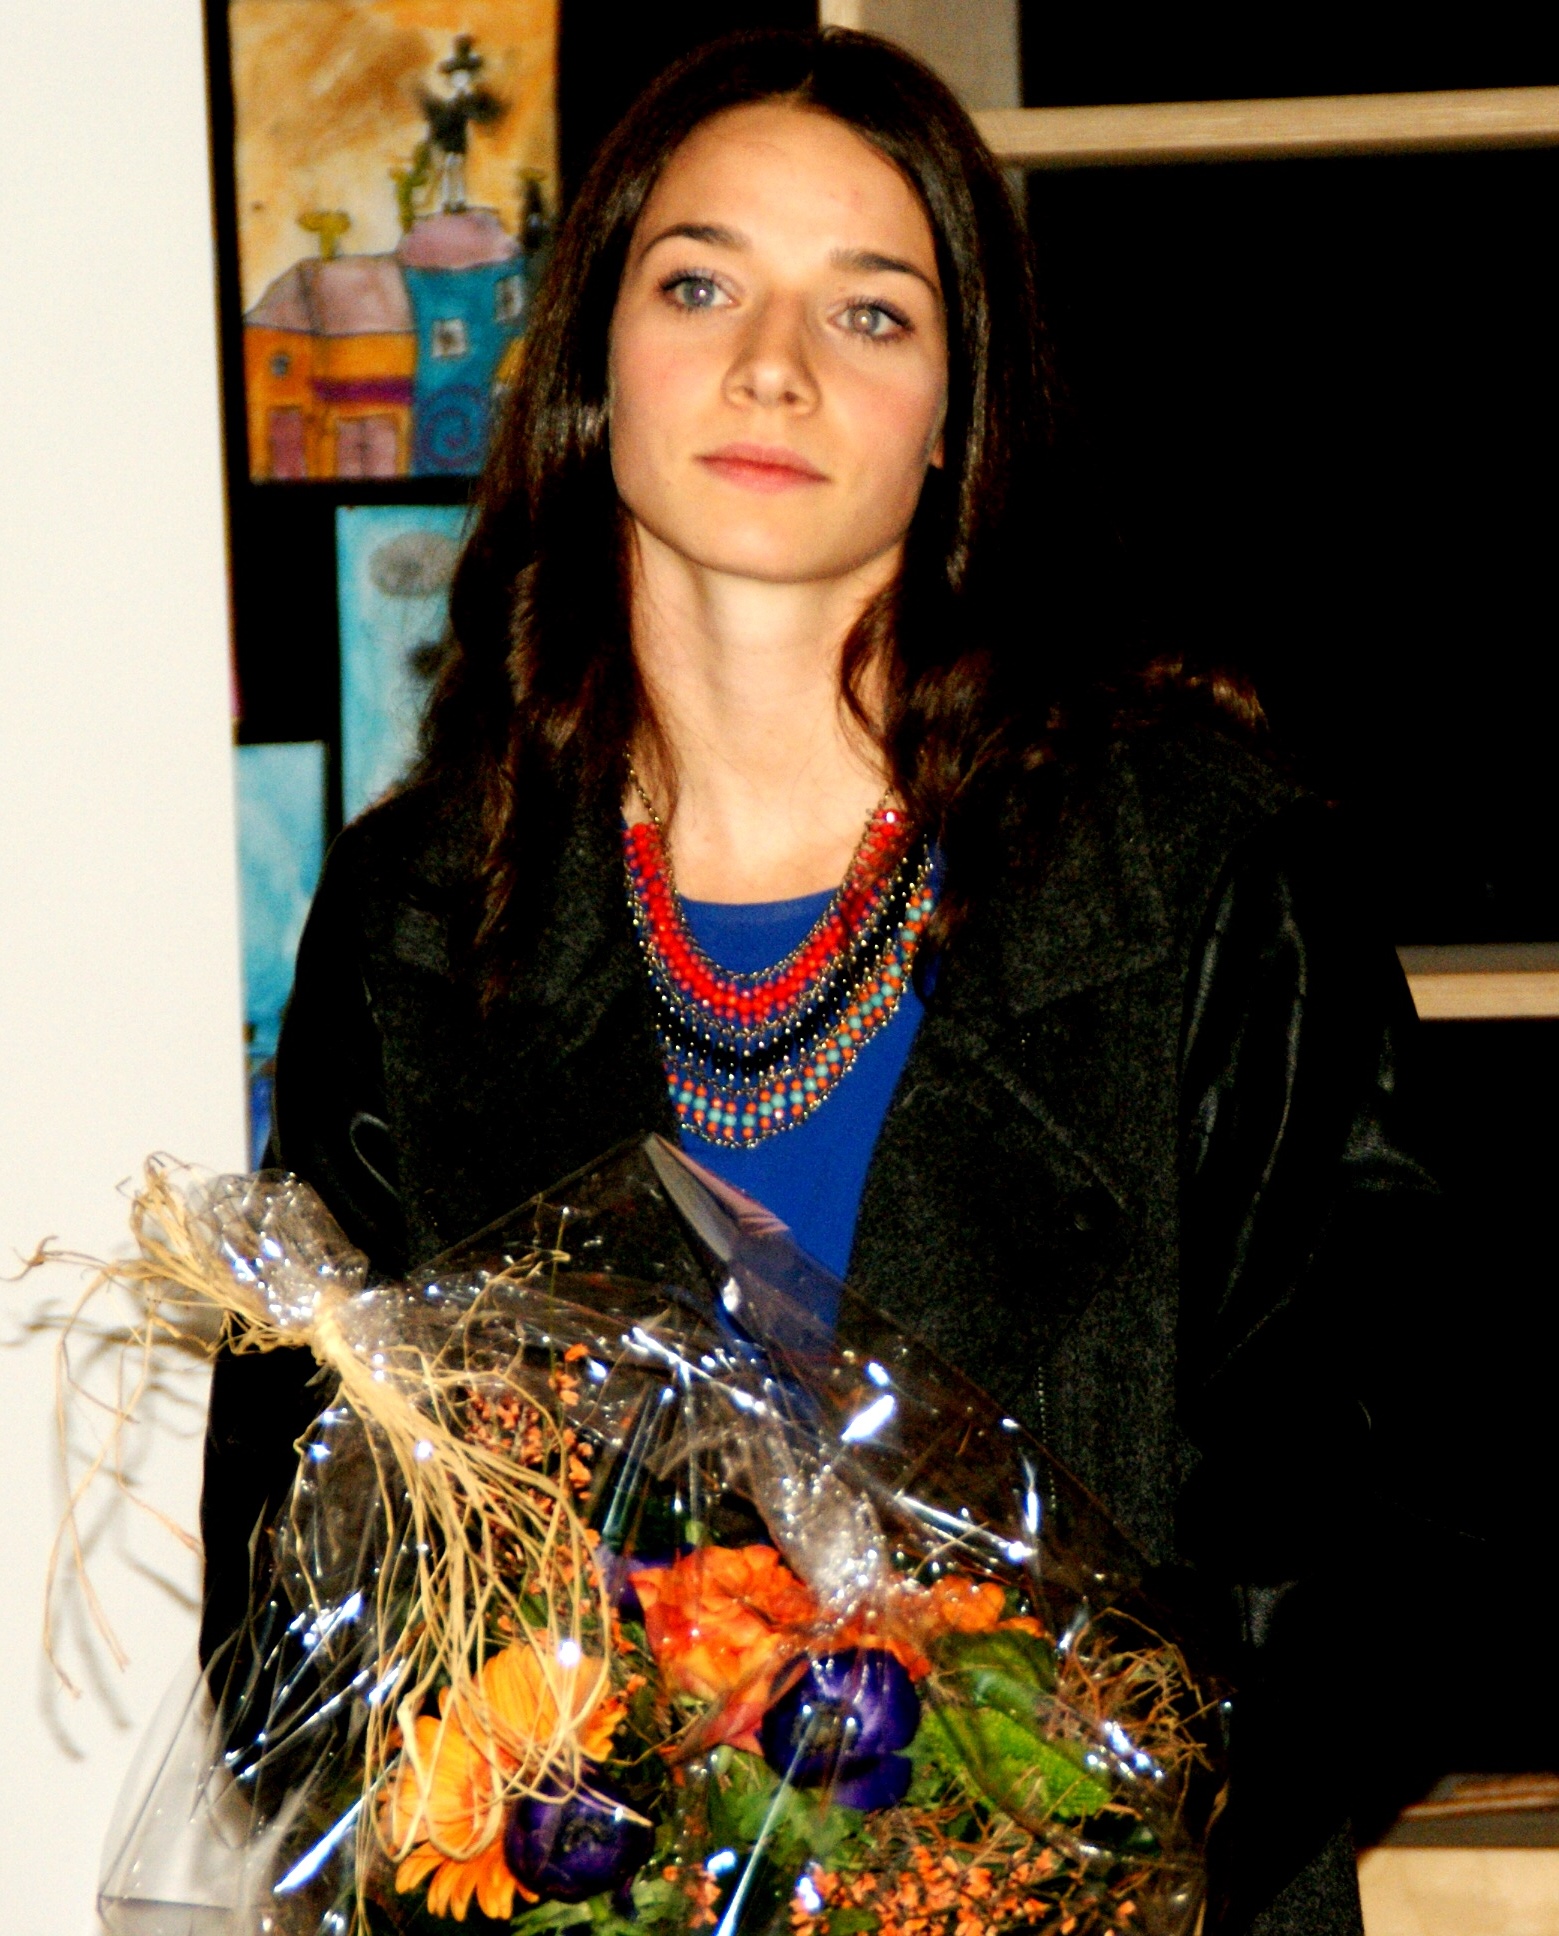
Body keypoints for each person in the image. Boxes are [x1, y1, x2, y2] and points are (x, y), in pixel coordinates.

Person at [201, 28, 1444, 1933]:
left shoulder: (1201, 871)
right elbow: (298, 1584)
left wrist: (1012, 1856)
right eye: (701, 286)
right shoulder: (421, 914)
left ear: (958, 412)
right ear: (591, 362)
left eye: (870, 313)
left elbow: (1383, 1525)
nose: (772, 364)